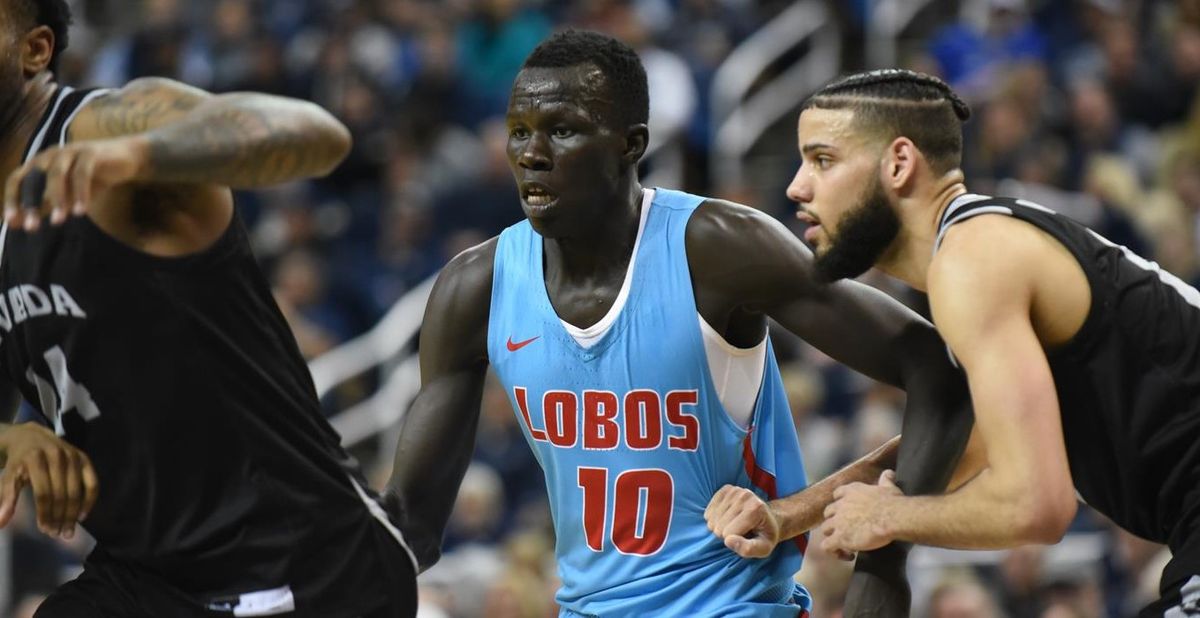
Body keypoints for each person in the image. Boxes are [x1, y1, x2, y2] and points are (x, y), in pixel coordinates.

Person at [386, 31, 972, 616]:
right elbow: (410, 526)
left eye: (561, 130)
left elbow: (941, 372)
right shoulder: (474, 287)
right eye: (518, 132)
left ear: (631, 144)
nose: (532, 153)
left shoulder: (720, 249)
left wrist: (881, 570)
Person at [0, 2, 417, 616]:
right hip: (147, 575)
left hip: (302, 558)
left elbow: (315, 133)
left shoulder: (100, 128)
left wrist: (139, 157)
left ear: (34, 51)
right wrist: (11, 439)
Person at [761, 68, 1199, 617]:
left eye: (822, 160)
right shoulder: (982, 251)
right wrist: (787, 517)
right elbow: (956, 451)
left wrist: (888, 517)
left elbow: (1036, 505)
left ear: (898, 164)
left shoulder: (971, 261)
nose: (796, 187)